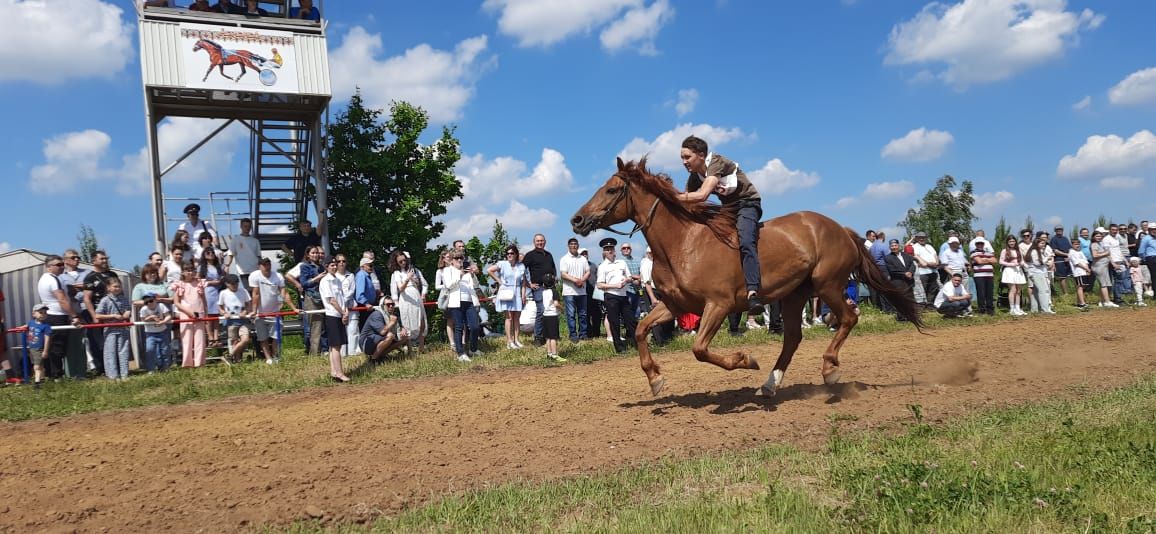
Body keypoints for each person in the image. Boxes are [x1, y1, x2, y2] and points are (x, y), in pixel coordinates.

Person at [677, 135, 764, 311]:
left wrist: (670, 196)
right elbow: (687, 203)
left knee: (746, 240)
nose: (684, 162)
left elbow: (702, 195)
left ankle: (753, 292)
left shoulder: (716, 162)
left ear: (701, 155)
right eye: (682, 158)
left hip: (747, 204)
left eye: (687, 157)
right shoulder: (695, 176)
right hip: (728, 209)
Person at [249, 257, 295, 364]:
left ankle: (275, 356)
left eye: (268, 264)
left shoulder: (278, 276)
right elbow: (255, 294)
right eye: (264, 265)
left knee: (276, 336)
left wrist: (291, 307)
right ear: (259, 266)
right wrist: (254, 311)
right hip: (260, 313)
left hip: (275, 312)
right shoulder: (254, 276)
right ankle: (268, 358)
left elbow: (284, 292)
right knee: (263, 337)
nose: (267, 267)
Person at [82, 251, 119, 376]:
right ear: (94, 261)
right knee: (98, 343)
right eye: (102, 258)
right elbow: (87, 298)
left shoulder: (112, 274)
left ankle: (115, 367)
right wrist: (94, 316)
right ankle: (101, 369)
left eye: (106, 258)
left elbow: (120, 293)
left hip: (114, 313)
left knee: (114, 340)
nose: (105, 260)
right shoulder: (90, 277)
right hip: (98, 313)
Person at [596, 237, 635, 353]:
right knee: (614, 322)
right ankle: (619, 347)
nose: (610, 251)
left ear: (614, 250)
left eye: (611, 248)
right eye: (607, 249)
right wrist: (614, 286)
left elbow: (629, 277)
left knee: (631, 320)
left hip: (623, 295)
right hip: (611, 296)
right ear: (604, 252)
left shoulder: (621, 262)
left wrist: (626, 281)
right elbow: (599, 285)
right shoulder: (602, 266)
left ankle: (637, 343)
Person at [444, 251, 484, 362]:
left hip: (469, 301)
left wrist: (472, 274)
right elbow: (448, 285)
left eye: (461, 258)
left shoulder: (466, 270)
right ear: (452, 260)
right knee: (459, 327)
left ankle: (473, 349)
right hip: (456, 302)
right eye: (456, 258)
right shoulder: (448, 270)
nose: (459, 260)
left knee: (475, 326)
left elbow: (475, 285)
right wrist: (459, 275)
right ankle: (460, 353)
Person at [285, 245, 325, 354]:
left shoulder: (322, 267)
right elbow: (304, 283)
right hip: (311, 298)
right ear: (307, 255)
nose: (316, 255)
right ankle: (314, 354)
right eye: (313, 253)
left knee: (323, 327)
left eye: (317, 253)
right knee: (314, 327)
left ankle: (324, 351)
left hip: (323, 298)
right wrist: (317, 278)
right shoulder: (304, 266)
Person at [489, 244, 529, 349]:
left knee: (517, 317)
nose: (509, 255)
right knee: (509, 317)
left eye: (511, 253)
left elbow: (524, 282)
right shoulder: (502, 264)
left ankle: (516, 339)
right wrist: (499, 281)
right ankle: (509, 341)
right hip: (506, 291)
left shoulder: (521, 266)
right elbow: (489, 270)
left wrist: (523, 294)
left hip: (517, 291)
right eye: (508, 253)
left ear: (516, 254)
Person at [319, 256, 351, 383]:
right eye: (331, 265)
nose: (334, 266)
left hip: (339, 314)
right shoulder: (325, 281)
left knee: (334, 346)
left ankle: (334, 371)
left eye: (334, 264)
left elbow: (342, 298)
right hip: (333, 315)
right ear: (326, 267)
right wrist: (343, 312)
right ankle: (339, 373)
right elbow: (331, 300)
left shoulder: (337, 280)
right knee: (336, 346)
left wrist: (345, 311)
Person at [389, 250, 428, 353]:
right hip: (405, 298)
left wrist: (421, 291)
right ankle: (410, 348)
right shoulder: (397, 273)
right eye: (400, 261)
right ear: (396, 262)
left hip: (415, 296)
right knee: (407, 322)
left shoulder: (414, 270)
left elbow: (423, 284)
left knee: (421, 320)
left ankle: (421, 346)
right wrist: (407, 279)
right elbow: (400, 289)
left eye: (404, 260)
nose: (403, 263)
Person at [521, 234, 557, 346]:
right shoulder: (530, 255)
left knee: (551, 311)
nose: (540, 243)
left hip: (550, 288)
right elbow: (520, 270)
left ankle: (550, 335)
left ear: (545, 242)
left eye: (541, 241)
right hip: (538, 287)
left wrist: (555, 279)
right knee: (541, 310)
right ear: (534, 242)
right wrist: (528, 284)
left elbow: (553, 269)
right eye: (538, 241)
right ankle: (538, 337)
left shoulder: (549, 255)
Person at [58, 249, 89, 378]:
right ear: (65, 260)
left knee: (83, 344)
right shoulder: (60, 277)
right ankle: (71, 374)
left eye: (78, 257)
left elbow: (93, 286)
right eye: (73, 257)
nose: (77, 259)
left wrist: (82, 289)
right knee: (71, 345)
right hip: (70, 314)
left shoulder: (87, 273)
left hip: (85, 311)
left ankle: (82, 372)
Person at [93, 277, 132, 380]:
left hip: (123, 329)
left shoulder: (124, 299)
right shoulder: (105, 300)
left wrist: (128, 313)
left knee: (123, 352)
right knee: (110, 353)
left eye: (119, 286)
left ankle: (124, 374)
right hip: (110, 331)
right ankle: (113, 376)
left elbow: (128, 309)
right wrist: (113, 316)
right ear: (108, 288)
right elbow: (98, 315)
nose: (117, 288)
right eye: (115, 286)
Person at [171, 262, 208, 367]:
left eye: (192, 270)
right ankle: (187, 364)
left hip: (199, 313)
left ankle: (200, 363)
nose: (190, 272)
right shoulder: (179, 284)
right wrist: (188, 312)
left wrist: (206, 312)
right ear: (183, 272)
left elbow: (203, 299)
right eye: (187, 270)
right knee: (186, 339)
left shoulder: (199, 283)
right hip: (186, 315)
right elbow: (177, 302)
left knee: (200, 339)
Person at [360, 297, 409, 363]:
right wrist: (391, 322)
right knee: (390, 336)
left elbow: (399, 328)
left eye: (392, 304)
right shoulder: (377, 314)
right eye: (388, 305)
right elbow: (383, 332)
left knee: (404, 336)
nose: (391, 306)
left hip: (378, 339)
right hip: (366, 343)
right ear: (382, 306)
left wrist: (402, 329)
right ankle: (373, 360)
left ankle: (381, 356)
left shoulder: (393, 314)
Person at [559, 237, 589, 343]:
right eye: (571, 244)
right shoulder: (564, 259)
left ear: (578, 245)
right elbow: (563, 274)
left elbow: (587, 272)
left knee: (583, 314)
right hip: (569, 292)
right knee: (571, 314)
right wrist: (576, 281)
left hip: (582, 291)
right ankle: (573, 335)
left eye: (575, 244)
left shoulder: (583, 259)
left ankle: (583, 334)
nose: (573, 246)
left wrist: (582, 280)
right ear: (568, 246)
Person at [218, 274, 253, 362]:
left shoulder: (243, 291)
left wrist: (245, 312)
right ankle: (237, 360)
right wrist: (224, 313)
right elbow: (220, 306)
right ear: (227, 284)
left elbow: (249, 304)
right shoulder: (223, 293)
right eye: (232, 284)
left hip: (243, 320)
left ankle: (229, 355)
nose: (235, 285)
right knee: (234, 341)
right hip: (231, 321)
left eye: (236, 283)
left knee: (245, 339)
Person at [138, 293, 173, 372]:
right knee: (150, 351)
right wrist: (150, 317)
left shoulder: (161, 306)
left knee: (165, 351)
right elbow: (142, 320)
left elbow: (168, 316)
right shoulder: (144, 309)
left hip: (162, 331)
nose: (149, 303)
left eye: (151, 301)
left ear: (155, 300)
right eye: (146, 302)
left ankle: (165, 368)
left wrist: (163, 321)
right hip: (150, 333)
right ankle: (151, 369)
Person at [883, 239, 916, 321]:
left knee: (910, 298)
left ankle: (912, 315)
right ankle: (901, 317)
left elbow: (912, 265)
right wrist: (904, 273)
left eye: (895, 245)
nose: (894, 247)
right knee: (901, 299)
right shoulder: (888, 258)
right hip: (897, 281)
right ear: (890, 247)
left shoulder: (906, 255)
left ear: (899, 246)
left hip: (909, 280)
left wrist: (911, 272)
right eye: (892, 246)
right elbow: (892, 270)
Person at [199, 245, 224, 348]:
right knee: (209, 316)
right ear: (204, 256)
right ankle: (210, 338)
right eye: (208, 253)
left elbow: (222, 277)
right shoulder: (202, 267)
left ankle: (216, 337)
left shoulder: (218, 267)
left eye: (212, 252)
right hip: (207, 292)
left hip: (217, 292)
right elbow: (200, 280)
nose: (211, 254)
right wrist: (213, 282)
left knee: (216, 316)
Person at [226, 218, 261, 290]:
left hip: (255, 269)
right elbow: (231, 254)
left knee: (256, 291)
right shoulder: (235, 240)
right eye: (245, 226)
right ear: (241, 227)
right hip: (243, 271)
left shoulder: (255, 241)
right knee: (248, 290)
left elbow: (259, 256)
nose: (247, 228)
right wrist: (227, 265)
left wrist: (261, 267)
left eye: (249, 226)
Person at [1024, 238, 1055, 314]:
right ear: (1036, 244)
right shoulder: (1034, 252)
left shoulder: (1039, 252)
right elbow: (1038, 263)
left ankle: (1035, 309)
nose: (1043, 245)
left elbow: (1041, 263)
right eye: (1041, 243)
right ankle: (1045, 309)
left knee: (1036, 292)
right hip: (1037, 273)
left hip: (1038, 273)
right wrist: (1048, 258)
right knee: (1044, 291)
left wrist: (1047, 262)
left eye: (1044, 243)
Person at [25, 304, 53, 388]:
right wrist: (20, 328)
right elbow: (26, 326)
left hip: (39, 349)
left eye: (45, 313)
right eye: (41, 312)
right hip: (32, 348)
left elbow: (47, 339)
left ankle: (37, 383)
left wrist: (45, 350)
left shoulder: (46, 326)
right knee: (39, 365)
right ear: (34, 314)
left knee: (36, 367)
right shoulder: (31, 322)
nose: (43, 314)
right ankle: (43, 379)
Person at [910, 232, 939, 309]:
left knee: (932, 289)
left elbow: (935, 256)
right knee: (923, 289)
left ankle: (930, 305)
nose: (922, 239)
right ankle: (922, 306)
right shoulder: (915, 247)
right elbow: (918, 259)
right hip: (922, 272)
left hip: (933, 271)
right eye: (920, 237)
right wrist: (930, 264)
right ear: (916, 238)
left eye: (923, 237)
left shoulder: (929, 246)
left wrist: (936, 263)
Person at [1000, 236, 1028, 316]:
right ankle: (1012, 309)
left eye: (1013, 241)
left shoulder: (1018, 250)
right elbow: (1001, 261)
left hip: (1018, 271)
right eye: (1010, 241)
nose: (1012, 243)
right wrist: (1011, 264)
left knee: (1019, 290)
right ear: (1007, 243)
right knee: (1013, 290)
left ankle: (1018, 308)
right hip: (1009, 271)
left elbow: (1021, 260)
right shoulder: (1004, 251)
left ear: (1015, 241)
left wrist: (1023, 264)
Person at [1088, 229, 1117, 308]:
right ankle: (1107, 301)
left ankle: (1102, 301)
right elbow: (1095, 255)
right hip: (1099, 266)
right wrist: (1106, 253)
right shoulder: (1094, 244)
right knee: (1104, 284)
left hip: (1104, 266)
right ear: (1093, 237)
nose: (1099, 237)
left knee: (1105, 284)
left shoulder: (1100, 244)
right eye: (1097, 236)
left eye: (1100, 236)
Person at [540, 273, 565, 362]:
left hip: (545, 316)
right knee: (554, 336)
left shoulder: (543, 292)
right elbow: (556, 304)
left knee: (547, 337)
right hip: (552, 316)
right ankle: (555, 355)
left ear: (543, 284)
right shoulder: (554, 291)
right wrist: (562, 309)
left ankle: (549, 353)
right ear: (554, 282)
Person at [969, 239, 996, 315]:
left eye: (981, 243)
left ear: (983, 244)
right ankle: (982, 310)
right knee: (981, 293)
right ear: (976, 245)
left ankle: (990, 309)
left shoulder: (988, 252)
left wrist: (984, 259)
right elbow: (979, 261)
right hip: (979, 275)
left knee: (989, 293)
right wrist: (988, 260)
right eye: (978, 244)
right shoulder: (974, 252)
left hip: (989, 275)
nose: (980, 245)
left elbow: (995, 260)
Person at [619, 242, 643, 320]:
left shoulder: (637, 261)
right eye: (624, 248)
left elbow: (641, 275)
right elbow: (621, 275)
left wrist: (637, 279)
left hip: (637, 290)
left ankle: (634, 330)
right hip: (626, 290)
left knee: (636, 312)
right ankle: (629, 331)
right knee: (628, 312)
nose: (626, 249)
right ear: (621, 250)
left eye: (628, 248)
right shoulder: (619, 261)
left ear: (631, 250)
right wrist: (634, 278)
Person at [1068, 239, 1091, 309]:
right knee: (1080, 287)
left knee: (1083, 286)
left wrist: (1087, 270)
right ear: (1072, 245)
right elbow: (1077, 263)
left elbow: (1085, 261)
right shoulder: (1071, 252)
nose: (1077, 245)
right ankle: (1082, 303)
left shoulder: (1080, 252)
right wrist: (1086, 269)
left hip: (1084, 271)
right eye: (1075, 244)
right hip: (1078, 272)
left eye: (1078, 244)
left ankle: (1079, 302)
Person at [1049, 225, 1073, 295]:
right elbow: (1055, 251)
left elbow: (1070, 248)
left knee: (1069, 276)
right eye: (1057, 229)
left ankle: (1071, 292)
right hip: (1059, 260)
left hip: (1067, 260)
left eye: (1060, 229)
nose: (1059, 230)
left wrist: (1069, 256)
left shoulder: (1065, 238)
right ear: (1055, 231)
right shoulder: (1054, 239)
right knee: (1062, 278)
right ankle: (1065, 294)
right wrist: (1066, 255)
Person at [354, 257, 378, 328]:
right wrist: (366, 303)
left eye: (372, 265)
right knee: (366, 328)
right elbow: (359, 293)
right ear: (362, 266)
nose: (371, 267)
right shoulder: (361, 275)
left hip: (368, 307)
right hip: (364, 307)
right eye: (369, 265)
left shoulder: (367, 276)